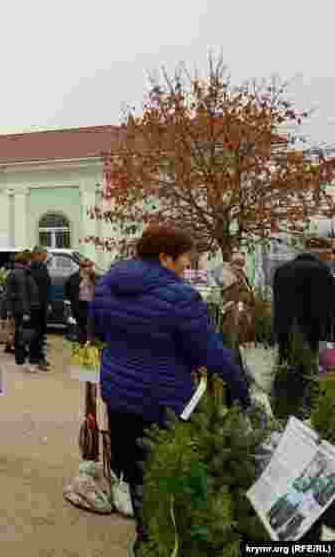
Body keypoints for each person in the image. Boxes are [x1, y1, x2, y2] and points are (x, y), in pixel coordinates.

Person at [90, 224, 249, 556]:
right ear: (165, 257)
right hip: (163, 401)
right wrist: (240, 389)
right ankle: (158, 542)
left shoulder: (106, 285)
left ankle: (144, 537)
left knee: (135, 471)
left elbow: (98, 332)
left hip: (119, 394)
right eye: (184, 259)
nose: (186, 266)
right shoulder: (180, 297)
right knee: (165, 472)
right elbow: (210, 353)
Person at [273, 237, 335, 362]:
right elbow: (328, 308)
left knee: (288, 368)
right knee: (315, 370)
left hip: (285, 335)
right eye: (329, 255)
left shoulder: (281, 271)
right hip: (315, 337)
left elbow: (278, 307)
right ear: (322, 253)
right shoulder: (322, 271)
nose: (330, 259)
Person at [5, 251, 40, 373]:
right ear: (25, 261)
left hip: (21, 308)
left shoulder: (17, 272)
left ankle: (22, 360)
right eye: (29, 260)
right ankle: (25, 361)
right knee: (25, 335)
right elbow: (22, 294)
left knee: (21, 334)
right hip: (24, 309)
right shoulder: (19, 273)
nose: (31, 262)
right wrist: (26, 312)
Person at [28, 245, 52, 371]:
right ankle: (34, 359)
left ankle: (40, 357)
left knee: (41, 333)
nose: (45, 257)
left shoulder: (41, 266)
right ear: (37, 255)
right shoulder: (32, 268)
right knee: (36, 334)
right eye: (44, 255)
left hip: (42, 304)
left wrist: (47, 303)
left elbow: (46, 286)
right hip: (36, 306)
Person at [64, 257, 97, 344]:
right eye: (88, 266)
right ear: (82, 267)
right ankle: (81, 345)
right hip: (79, 306)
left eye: (91, 266)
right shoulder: (73, 278)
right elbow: (68, 294)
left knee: (89, 330)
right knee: (80, 329)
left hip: (90, 306)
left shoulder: (94, 277)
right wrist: (70, 309)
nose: (91, 268)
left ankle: (87, 345)